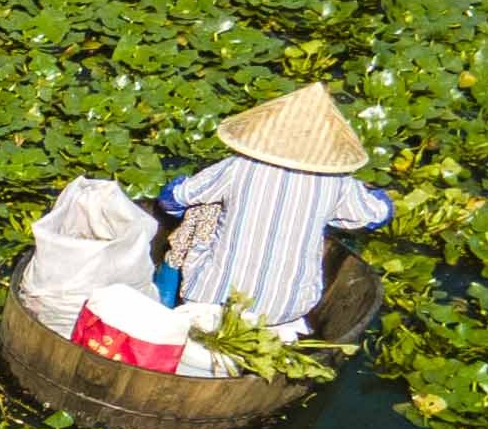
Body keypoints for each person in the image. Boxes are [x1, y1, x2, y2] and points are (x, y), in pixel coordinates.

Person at [159, 83, 389, 329]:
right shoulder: (339, 182)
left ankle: (165, 298)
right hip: (287, 309)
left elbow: (174, 199)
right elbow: (376, 216)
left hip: (211, 297)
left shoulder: (238, 166)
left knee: (202, 210)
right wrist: (375, 195)